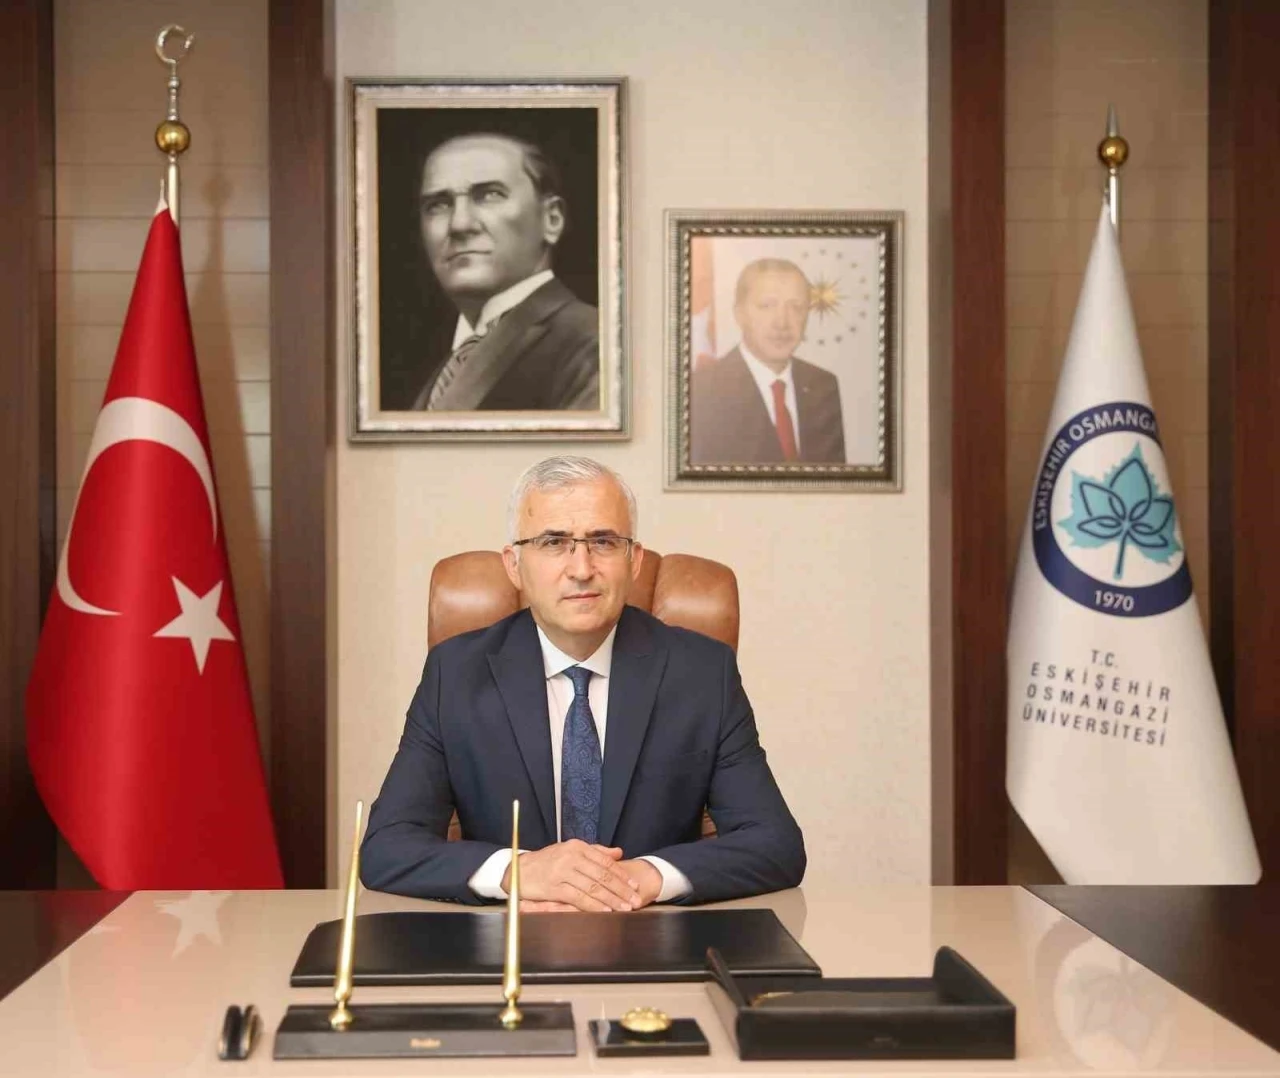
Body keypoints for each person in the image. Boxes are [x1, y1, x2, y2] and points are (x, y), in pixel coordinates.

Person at [361, 456, 805, 909]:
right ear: (514, 564)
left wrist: (645, 877)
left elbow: (775, 844)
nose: (581, 568)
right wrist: (518, 871)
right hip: (509, 939)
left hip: (650, 934)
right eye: (554, 542)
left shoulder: (703, 673)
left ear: (634, 560)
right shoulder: (455, 674)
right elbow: (386, 847)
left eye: (604, 542)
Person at [409, 133, 599, 412]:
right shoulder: (442, 364)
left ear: (552, 219)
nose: (460, 224)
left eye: (490, 195)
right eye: (438, 205)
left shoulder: (594, 345)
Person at [691, 258, 846, 464]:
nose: (782, 322)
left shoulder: (823, 385)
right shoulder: (702, 390)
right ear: (739, 314)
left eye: (796, 307)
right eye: (767, 306)